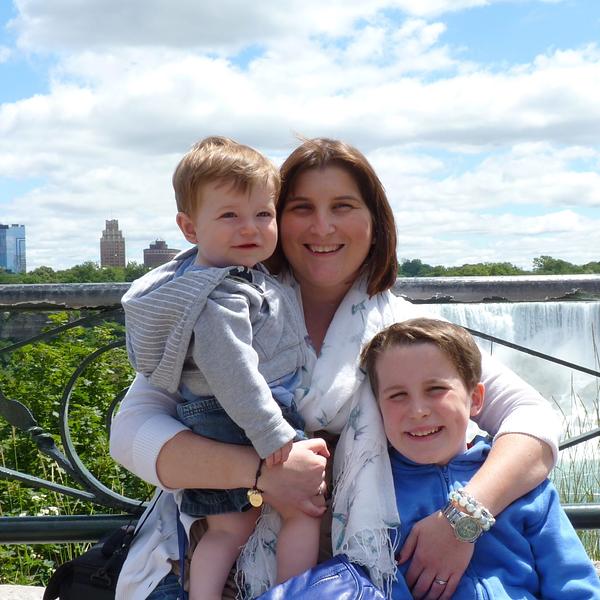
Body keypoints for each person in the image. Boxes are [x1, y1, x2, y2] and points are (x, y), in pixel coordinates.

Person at [110, 137, 561, 600]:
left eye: (343, 206)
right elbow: (130, 432)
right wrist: (264, 475)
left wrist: (461, 521)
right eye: (301, 207)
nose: (322, 226)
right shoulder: (225, 308)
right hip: (218, 561)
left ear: (375, 221)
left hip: (358, 583)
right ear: (276, 218)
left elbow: (533, 419)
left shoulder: (409, 330)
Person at [120, 136, 326, 600]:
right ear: (189, 228)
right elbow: (234, 371)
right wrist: (275, 436)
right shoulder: (221, 295)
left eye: (263, 214)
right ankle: (292, 593)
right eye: (230, 215)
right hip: (236, 420)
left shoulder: (223, 282)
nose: (249, 228)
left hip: (218, 418)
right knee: (300, 513)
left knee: (225, 531)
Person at [360, 318, 600, 599]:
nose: (418, 410)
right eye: (397, 395)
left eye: (436, 389)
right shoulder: (377, 495)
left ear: (475, 398)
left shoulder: (523, 486)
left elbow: (572, 580)